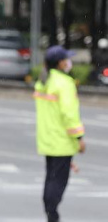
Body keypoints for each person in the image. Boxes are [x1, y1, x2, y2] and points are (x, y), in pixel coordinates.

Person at [34, 45, 86, 222]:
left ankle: (50, 211)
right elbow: (69, 114)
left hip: (47, 139)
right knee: (58, 181)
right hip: (61, 141)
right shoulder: (64, 83)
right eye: (66, 59)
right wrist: (79, 137)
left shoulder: (43, 81)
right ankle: (52, 213)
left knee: (51, 178)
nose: (69, 62)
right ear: (60, 63)